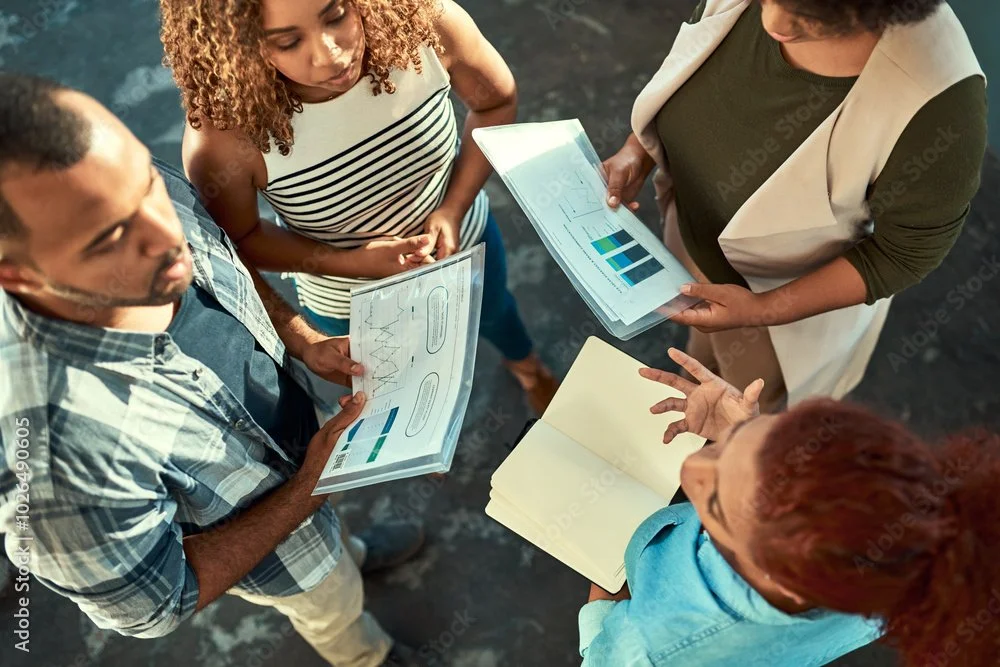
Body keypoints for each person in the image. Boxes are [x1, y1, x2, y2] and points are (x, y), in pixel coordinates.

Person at [0, 74, 425, 667]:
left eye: (147, 184)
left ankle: (351, 550)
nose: (168, 234)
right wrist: (305, 490)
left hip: (307, 447)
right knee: (333, 609)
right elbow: (158, 601)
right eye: (112, 238)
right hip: (285, 557)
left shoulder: (104, 176)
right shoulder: (54, 463)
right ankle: (369, 657)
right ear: (16, 277)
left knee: (337, 552)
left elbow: (224, 263)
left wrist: (300, 339)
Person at [158, 0, 558, 414]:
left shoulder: (429, 26)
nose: (331, 55)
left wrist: (453, 207)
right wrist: (354, 263)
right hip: (350, 302)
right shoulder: (224, 134)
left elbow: (495, 104)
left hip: (466, 245)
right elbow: (240, 241)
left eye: (336, 16)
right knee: (398, 381)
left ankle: (529, 369)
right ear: (236, 44)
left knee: (494, 313)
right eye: (289, 41)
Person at [602, 0, 988, 412]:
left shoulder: (940, 104)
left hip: (779, 312)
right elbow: (686, 75)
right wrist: (636, 151)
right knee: (703, 364)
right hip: (688, 245)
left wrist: (763, 311)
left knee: (745, 417)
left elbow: (904, 253)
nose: (775, 22)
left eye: (814, 14)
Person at [577, 347, 1000, 666]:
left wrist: (603, 585)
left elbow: (602, 653)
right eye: (758, 431)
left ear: (782, 578)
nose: (691, 466)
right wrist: (738, 430)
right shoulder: (894, 568)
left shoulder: (649, 646)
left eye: (718, 503)